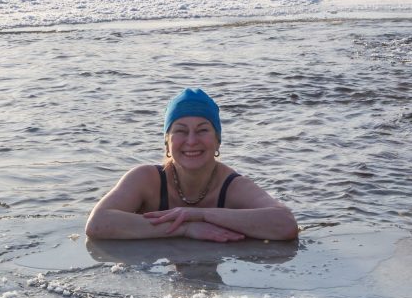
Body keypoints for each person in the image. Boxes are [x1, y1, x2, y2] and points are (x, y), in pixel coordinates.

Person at [85, 88, 298, 242]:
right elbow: (98, 224)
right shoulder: (146, 179)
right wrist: (186, 228)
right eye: (180, 130)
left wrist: (201, 214)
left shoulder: (231, 185)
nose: (191, 140)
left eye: (203, 130)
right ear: (167, 143)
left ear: (217, 141)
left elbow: (285, 224)